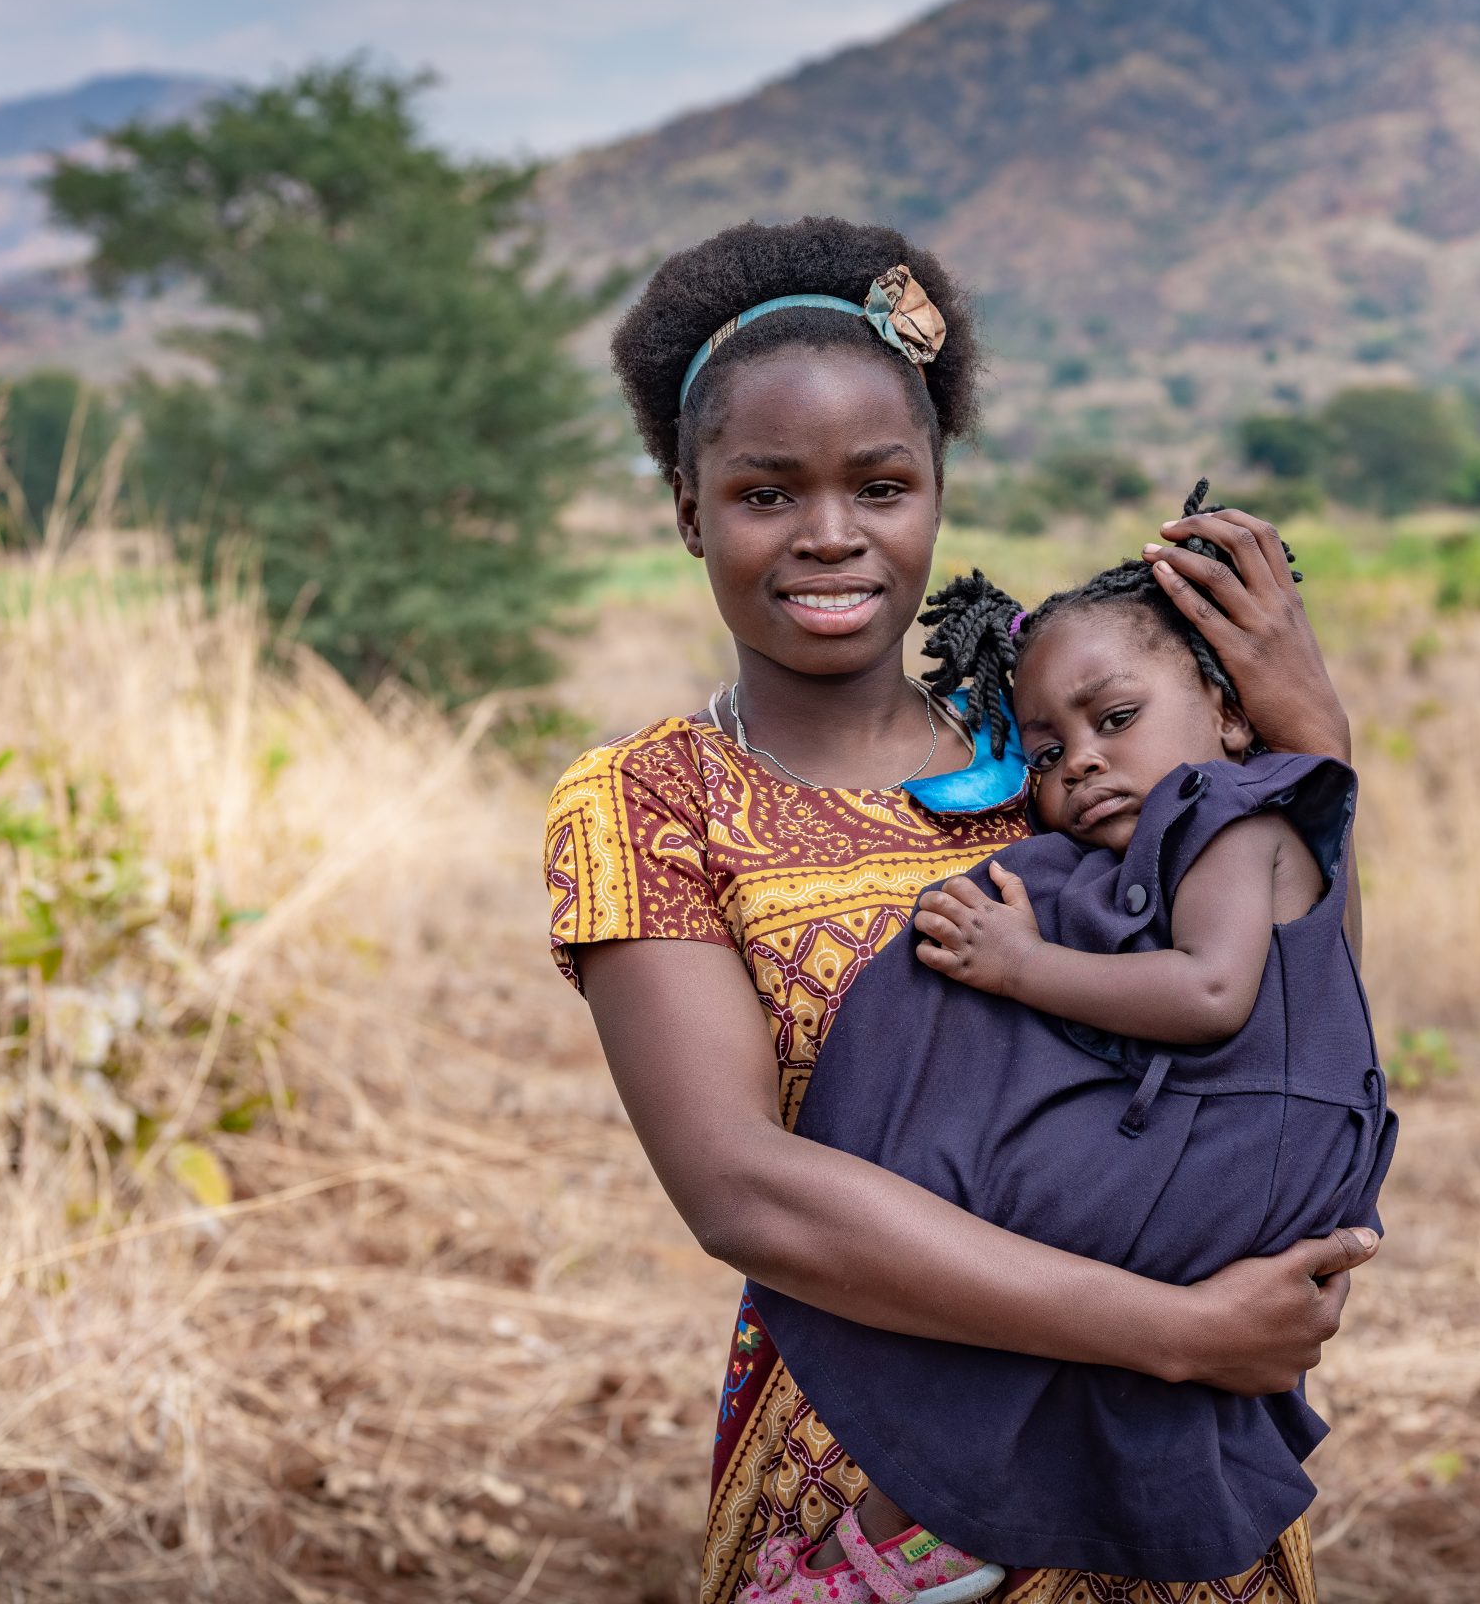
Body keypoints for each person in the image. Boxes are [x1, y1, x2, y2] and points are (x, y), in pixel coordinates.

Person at [542, 216, 1375, 1604]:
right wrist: (1172, 1330)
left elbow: (1288, 1018)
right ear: (688, 508)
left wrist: (1314, 743)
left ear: (936, 490)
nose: (831, 537)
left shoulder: (1062, 756)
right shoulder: (654, 801)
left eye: (881, 485)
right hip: (875, 1502)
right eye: (766, 494)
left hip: (1175, 1482)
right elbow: (744, 1192)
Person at [747, 505, 1393, 1600]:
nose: (1082, 764)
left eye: (1119, 718)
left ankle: (912, 1535)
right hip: (1241, 1137)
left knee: (1002, 1220)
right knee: (1002, 1238)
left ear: (1232, 719)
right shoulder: (1162, 838)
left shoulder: (1236, 816)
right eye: (1046, 752)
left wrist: (1019, 968)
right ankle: (933, 1529)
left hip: (1250, 1140)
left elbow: (1210, 994)